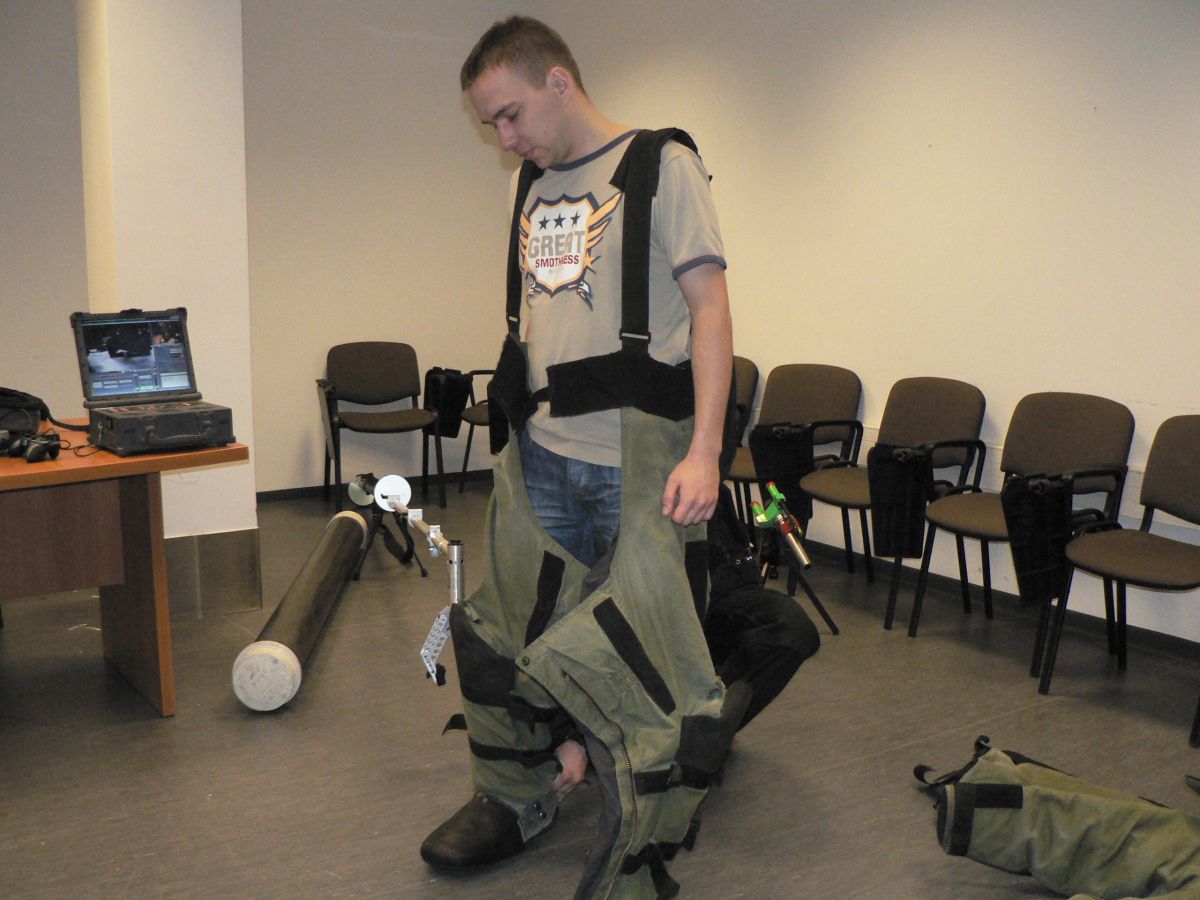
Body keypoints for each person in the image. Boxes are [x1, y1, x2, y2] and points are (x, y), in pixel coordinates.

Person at [421, 17, 733, 898]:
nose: (504, 138)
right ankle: (515, 794)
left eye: (510, 115)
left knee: (648, 661)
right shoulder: (530, 185)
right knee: (499, 640)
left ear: (558, 82)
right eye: (491, 124)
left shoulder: (661, 166)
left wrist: (706, 451)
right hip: (541, 463)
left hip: (637, 468)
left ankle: (647, 839)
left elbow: (710, 310)